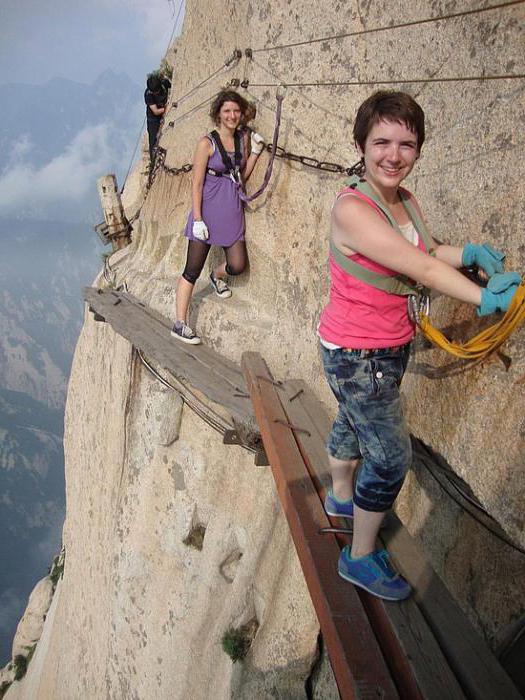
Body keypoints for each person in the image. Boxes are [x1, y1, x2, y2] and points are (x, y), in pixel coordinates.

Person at [318, 91, 521, 601]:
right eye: (381, 141)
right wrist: (483, 297)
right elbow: (423, 269)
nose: (393, 155)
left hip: (381, 348)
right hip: (357, 353)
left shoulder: (404, 200)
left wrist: (469, 253)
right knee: (388, 457)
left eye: (406, 144)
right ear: (361, 145)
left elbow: (428, 250)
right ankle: (359, 557)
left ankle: (340, 496)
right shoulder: (353, 209)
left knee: (350, 420)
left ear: (418, 150)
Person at [171, 89, 264, 344]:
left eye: (236, 111)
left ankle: (218, 275)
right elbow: (196, 184)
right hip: (208, 211)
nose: (232, 116)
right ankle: (180, 323)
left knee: (238, 264)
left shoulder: (239, 141)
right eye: (227, 111)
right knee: (191, 269)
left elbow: (240, 177)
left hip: (231, 208)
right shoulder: (207, 143)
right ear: (218, 115)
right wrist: (198, 219)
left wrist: (254, 153)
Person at [144, 73, 172, 165]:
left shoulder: (164, 84)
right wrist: (166, 108)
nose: (153, 93)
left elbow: (172, 86)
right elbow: (155, 111)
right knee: (153, 141)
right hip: (153, 119)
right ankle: (154, 163)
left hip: (162, 110)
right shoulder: (148, 94)